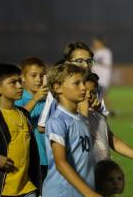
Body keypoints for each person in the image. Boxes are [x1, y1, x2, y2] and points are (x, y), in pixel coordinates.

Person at [42, 63, 100, 197]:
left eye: (83, 83)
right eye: (77, 83)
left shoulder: (81, 119)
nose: (84, 87)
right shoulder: (57, 121)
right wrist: (89, 193)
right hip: (62, 192)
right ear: (58, 88)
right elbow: (61, 163)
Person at [85, 72, 133, 170]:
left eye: (92, 92)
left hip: (102, 172)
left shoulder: (98, 116)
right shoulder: (71, 118)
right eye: (84, 91)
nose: (89, 96)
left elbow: (112, 140)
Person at [38, 41, 109, 133]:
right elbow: (42, 126)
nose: (85, 65)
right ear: (67, 63)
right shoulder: (60, 88)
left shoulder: (95, 87)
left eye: (89, 61)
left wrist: (96, 112)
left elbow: (103, 120)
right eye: (79, 61)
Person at [0, 63, 41, 197]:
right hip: (3, 191)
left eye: (20, 81)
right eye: (13, 82)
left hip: (28, 189)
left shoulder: (23, 114)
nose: (20, 86)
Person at [15, 57, 49, 181]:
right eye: (33, 75)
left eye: (42, 75)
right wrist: (36, 98)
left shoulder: (49, 99)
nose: (38, 80)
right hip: (31, 159)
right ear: (23, 78)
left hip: (50, 157)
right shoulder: (19, 97)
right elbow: (18, 118)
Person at [91, 35, 114, 116]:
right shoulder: (94, 51)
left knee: (103, 93)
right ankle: (107, 110)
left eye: (96, 42)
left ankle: (110, 110)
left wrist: (96, 60)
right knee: (99, 93)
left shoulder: (106, 52)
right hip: (94, 75)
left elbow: (108, 64)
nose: (94, 44)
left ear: (101, 42)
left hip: (103, 77)